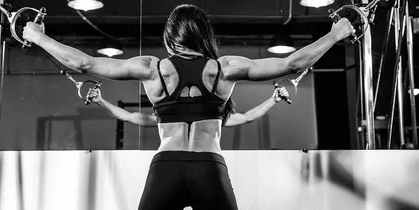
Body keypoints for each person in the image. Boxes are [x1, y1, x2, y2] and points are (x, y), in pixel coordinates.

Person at [22, 3, 354, 210]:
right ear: (204, 35)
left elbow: (83, 62)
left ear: (170, 37)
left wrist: (37, 36)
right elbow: (291, 62)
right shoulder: (225, 68)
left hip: (165, 169)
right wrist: (336, 32)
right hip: (209, 169)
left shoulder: (152, 68)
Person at [87, 84, 291, 127]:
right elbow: (128, 116)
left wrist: (273, 99)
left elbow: (248, 116)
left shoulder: (215, 118)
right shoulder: (166, 117)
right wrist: (100, 101)